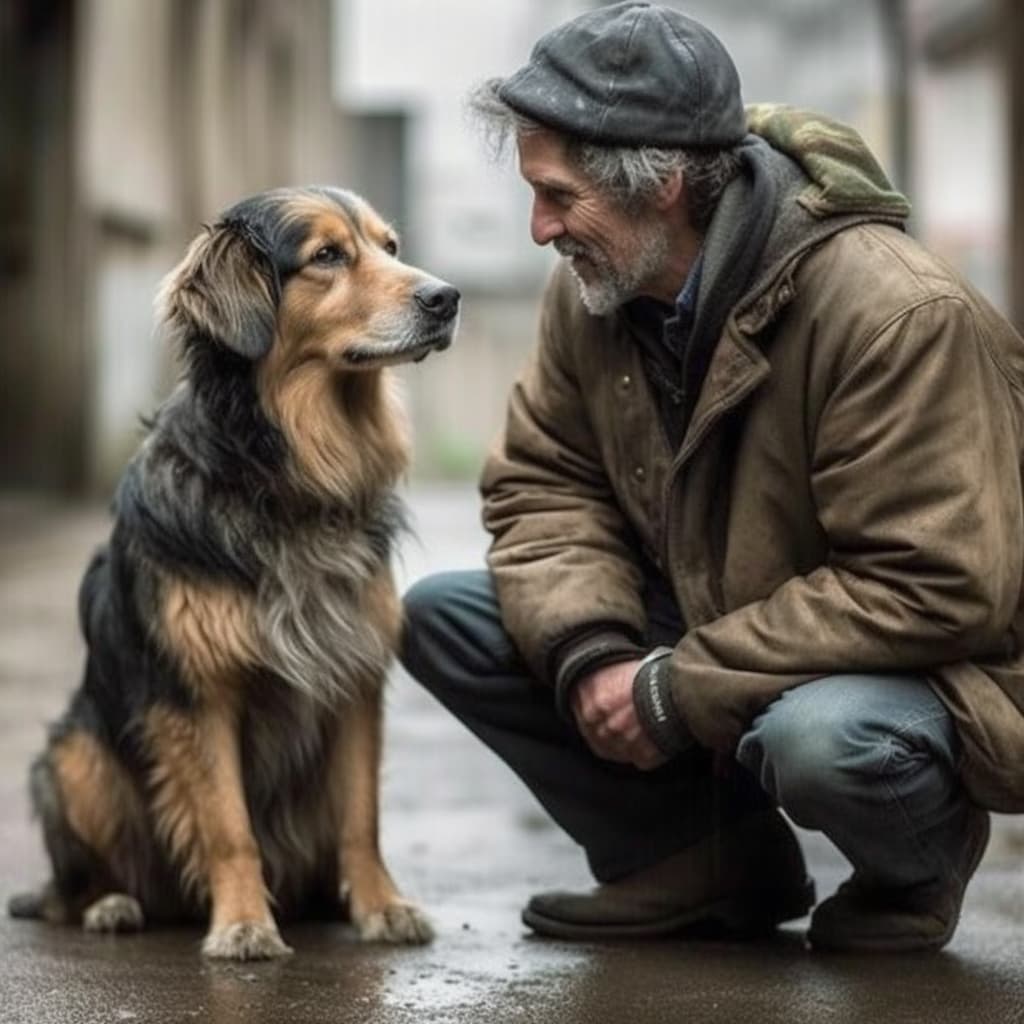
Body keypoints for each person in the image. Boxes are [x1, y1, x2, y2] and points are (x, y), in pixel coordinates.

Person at [401, 1, 1024, 952]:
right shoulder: (594, 293)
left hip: (927, 667)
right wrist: (598, 656)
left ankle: (914, 876)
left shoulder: (894, 316)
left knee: (823, 740)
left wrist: (674, 690)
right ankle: (700, 861)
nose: (538, 228)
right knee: (445, 615)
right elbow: (544, 485)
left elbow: (935, 585)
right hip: (724, 625)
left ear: (664, 186)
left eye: (560, 196)